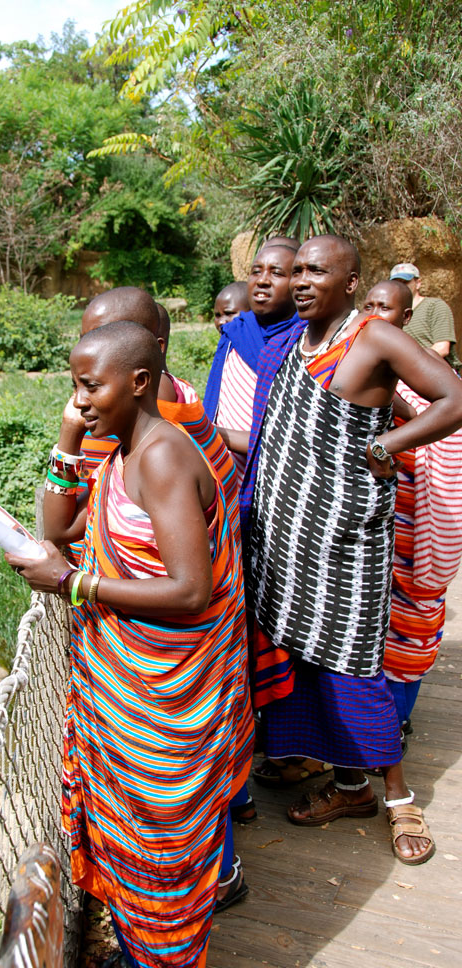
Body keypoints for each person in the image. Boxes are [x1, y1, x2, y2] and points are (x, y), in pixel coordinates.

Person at [7, 321, 253, 968]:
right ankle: (143, 948)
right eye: (74, 386)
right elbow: (57, 525)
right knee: (134, 852)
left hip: (166, 710)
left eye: (90, 386)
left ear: (140, 382)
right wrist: (70, 432)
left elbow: (190, 591)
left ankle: (162, 954)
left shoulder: (163, 457)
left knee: (162, 856)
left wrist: (73, 583)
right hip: (128, 698)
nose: (80, 399)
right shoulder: (120, 453)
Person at [241, 235, 462, 865]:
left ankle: (398, 798)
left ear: (350, 280)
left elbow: (453, 399)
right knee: (301, 664)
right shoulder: (294, 341)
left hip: (344, 544)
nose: (303, 281)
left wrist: (389, 446)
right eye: (299, 271)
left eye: (318, 271)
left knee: (353, 668)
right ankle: (347, 786)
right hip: (285, 541)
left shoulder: (374, 337)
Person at [65, 288, 239, 551]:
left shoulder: (150, 423)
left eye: (111, 334)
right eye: (86, 338)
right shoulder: (130, 408)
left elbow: (67, 525)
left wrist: (73, 580)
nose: (93, 347)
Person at [361, 280, 462, 732]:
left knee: (413, 631)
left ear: (406, 318)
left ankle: (397, 721)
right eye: (369, 305)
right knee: (378, 633)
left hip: (424, 531)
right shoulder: (366, 373)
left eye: (386, 307)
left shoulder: (436, 381)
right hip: (382, 533)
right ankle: (381, 723)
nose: (375, 314)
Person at [204, 239, 300, 489]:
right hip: (226, 471)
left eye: (277, 273)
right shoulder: (235, 333)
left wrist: (213, 433)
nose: (262, 280)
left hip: (284, 476)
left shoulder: (307, 341)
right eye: (256, 271)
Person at [389, 262, 460, 370]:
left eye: (405, 282)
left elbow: (442, 347)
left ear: (418, 283)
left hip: (437, 371)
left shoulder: (434, 306)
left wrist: (411, 364)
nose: (401, 287)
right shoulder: (391, 314)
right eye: (397, 283)